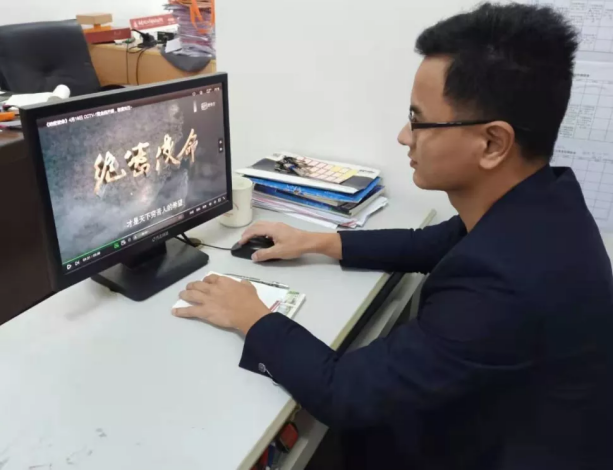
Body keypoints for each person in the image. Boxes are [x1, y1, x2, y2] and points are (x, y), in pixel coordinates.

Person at [172, 3, 612, 469]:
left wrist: (252, 316)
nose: (404, 136)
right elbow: (432, 243)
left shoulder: (506, 284)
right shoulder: (542, 202)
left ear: (492, 143)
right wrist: (316, 241)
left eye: (419, 120)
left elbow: (344, 393)